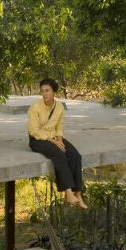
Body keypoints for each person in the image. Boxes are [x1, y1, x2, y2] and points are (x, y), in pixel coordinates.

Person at [28, 78, 87, 209]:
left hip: (55, 136)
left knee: (75, 155)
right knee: (59, 154)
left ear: (54, 91)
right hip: (38, 140)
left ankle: (78, 194)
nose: (44, 93)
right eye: (42, 91)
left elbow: (59, 126)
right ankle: (68, 193)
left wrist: (59, 139)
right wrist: (53, 141)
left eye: (47, 90)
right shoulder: (35, 107)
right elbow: (33, 131)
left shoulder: (59, 106)